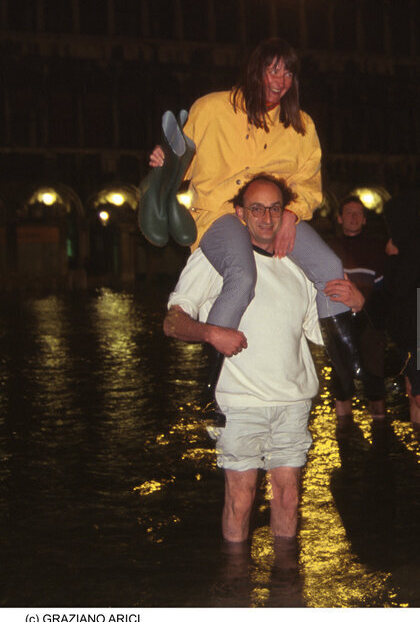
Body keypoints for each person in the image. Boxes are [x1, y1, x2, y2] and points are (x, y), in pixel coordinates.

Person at [147, 38, 366, 417]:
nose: (281, 80)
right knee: (241, 275)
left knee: (330, 268)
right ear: (255, 71)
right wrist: (162, 158)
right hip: (220, 214)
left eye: (288, 72)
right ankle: (210, 387)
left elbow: (309, 184)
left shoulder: (301, 125)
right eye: (273, 69)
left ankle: (351, 371)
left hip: (275, 212)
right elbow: (178, 164)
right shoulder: (211, 108)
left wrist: (293, 215)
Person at [163, 175, 364, 544]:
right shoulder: (212, 260)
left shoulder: (299, 265)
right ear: (240, 213)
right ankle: (236, 589)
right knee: (241, 499)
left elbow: (317, 333)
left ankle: (288, 589)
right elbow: (173, 322)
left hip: (293, 402)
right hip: (239, 404)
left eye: (275, 208)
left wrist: (355, 305)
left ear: (285, 213)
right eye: (256, 208)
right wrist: (211, 332)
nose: (267, 218)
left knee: (288, 498)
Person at [383, 193, 420, 436]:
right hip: (416, 332)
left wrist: (390, 259)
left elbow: (398, 287)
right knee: (414, 392)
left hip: (418, 334)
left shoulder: (410, 249)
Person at [329, 196, 388, 425]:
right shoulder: (329, 248)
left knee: (375, 379)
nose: (353, 217)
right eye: (349, 212)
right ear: (340, 218)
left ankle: (380, 427)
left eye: (358, 213)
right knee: (340, 381)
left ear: (364, 220)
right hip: (338, 324)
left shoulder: (376, 248)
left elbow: (384, 290)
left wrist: (375, 319)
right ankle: (344, 432)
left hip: (370, 323)